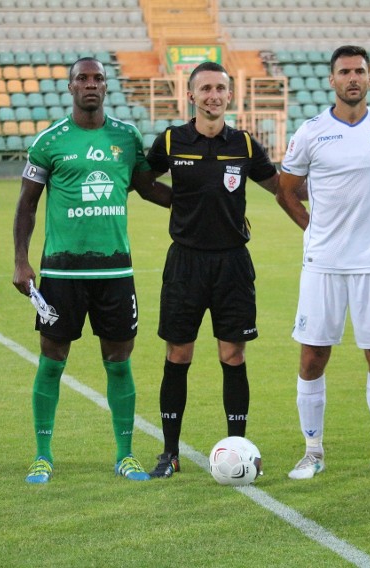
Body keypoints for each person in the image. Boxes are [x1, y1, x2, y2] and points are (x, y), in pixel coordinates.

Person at [13, 57, 171, 484]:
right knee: (52, 360)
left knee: (119, 362)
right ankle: (43, 455)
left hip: (115, 270)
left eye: (98, 78)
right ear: (70, 87)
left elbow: (146, 187)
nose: (90, 84)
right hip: (61, 272)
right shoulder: (49, 141)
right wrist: (21, 260)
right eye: (82, 78)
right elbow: (26, 205)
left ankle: (125, 455)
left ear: (106, 86)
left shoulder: (126, 136)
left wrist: (198, 203)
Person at [276, 45, 370, 480]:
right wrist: (312, 228)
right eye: (344, 72)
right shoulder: (311, 132)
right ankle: (312, 452)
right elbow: (286, 188)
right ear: (331, 80)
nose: (352, 78)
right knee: (313, 355)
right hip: (323, 263)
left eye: (359, 71)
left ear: (369, 78)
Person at [144, 61, 280, 479]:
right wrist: (179, 203)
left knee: (233, 354)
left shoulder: (244, 144)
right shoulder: (171, 140)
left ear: (229, 95)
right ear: (191, 95)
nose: (213, 95)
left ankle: (238, 448)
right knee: (178, 354)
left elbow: (279, 188)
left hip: (232, 263)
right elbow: (142, 181)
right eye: (205, 88)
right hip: (185, 262)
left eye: (220, 88)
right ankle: (170, 452)